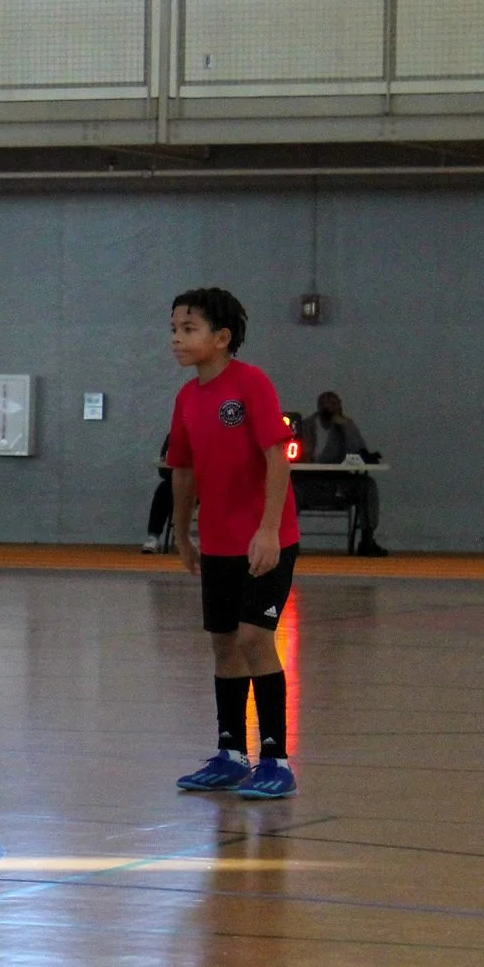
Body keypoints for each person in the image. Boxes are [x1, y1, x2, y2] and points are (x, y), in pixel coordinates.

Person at [167, 287, 300, 801]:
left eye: (189, 329)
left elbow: (277, 457)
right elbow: (182, 469)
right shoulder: (186, 398)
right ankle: (230, 753)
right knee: (223, 642)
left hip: (266, 540)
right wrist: (182, 533)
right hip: (218, 543)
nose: (177, 339)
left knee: (253, 638)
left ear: (221, 338)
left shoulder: (251, 384)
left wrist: (268, 529)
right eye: (174, 329)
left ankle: (276, 758)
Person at [294, 390, 387, 556]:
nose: (335, 408)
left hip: (339, 485)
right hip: (309, 484)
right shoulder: (306, 426)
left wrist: (346, 426)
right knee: (288, 489)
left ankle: (367, 539)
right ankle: (290, 541)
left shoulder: (345, 426)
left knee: (368, 486)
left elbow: (358, 452)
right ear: (320, 406)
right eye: (331, 404)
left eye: (338, 404)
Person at [143, 435, 172, 552]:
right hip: (180, 482)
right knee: (163, 490)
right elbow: (163, 471)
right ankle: (153, 537)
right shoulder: (173, 437)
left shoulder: (211, 434)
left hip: (205, 483)